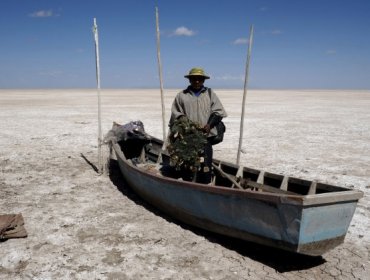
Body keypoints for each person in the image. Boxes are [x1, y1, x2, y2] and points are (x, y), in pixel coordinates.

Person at [169, 67, 227, 184]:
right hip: (187, 139)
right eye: (194, 79)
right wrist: (184, 121)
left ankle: (205, 185)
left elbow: (219, 112)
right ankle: (188, 185)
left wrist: (209, 125)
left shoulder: (210, 94)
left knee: (205, 166)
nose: (197, 81)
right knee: (187, 166)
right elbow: (176, 114)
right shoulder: (181, 96)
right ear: (189, 80)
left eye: (199, 79)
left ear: (203, 80)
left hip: (206, 138)